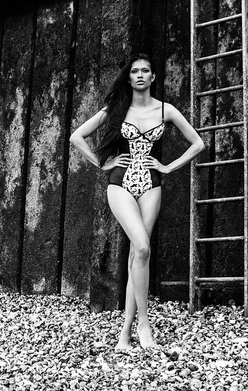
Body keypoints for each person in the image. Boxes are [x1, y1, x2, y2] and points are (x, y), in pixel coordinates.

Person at [69, 53, 205, 350]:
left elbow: (198, 143)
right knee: (142, 246)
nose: (140, 75)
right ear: (128, 77)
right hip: (120, 184)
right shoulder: (116, 109)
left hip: (151, 186)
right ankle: (144, 325)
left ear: (153, 77)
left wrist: (169, 167)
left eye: (146, 70)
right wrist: (101, 163)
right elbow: (77, 137)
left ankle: (124, 335)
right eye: (135, 71)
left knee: (137, 257)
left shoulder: (165, 110)